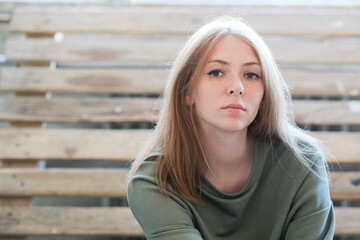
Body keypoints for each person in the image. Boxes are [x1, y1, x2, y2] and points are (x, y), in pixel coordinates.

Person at [127, 16, 335, 240]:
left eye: (251, 75)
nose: (237, 87)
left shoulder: (303, 163)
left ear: (264, 96)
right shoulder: (153, 182)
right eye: (216, 72)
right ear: (187, 92)